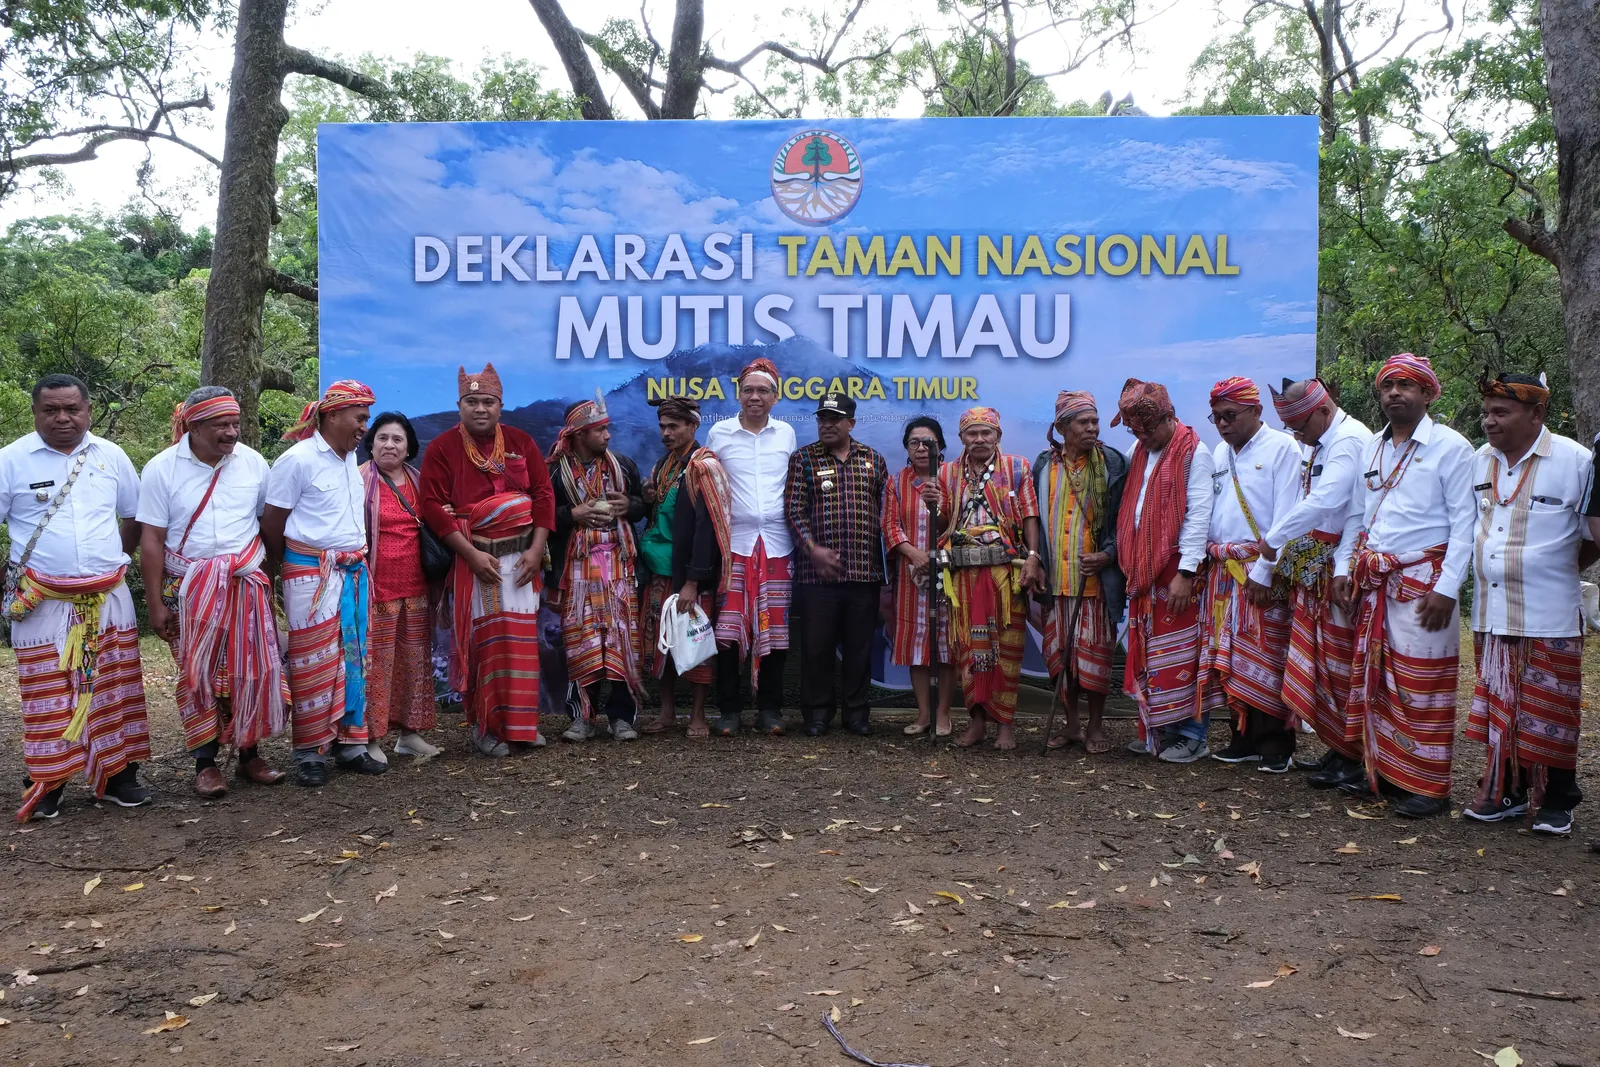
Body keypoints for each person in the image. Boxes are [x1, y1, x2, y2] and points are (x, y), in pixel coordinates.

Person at [1, 374, 152, 820]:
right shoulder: (11, 460)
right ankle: (48, 781)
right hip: (41, 602)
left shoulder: (111, 455)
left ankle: (119, 776)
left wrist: (107, 563)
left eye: (72, 409)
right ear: (35, 413)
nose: (63, 418)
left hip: (108, 598)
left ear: (88, 410)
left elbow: (134, 516)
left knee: (113, 688)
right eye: (51, 410)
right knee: (47, 694)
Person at [1343, 353, 1476, 818]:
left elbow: (1465, 524)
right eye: (1387, 386)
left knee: (1424, 684)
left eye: (1406, 385)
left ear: (1427, 393)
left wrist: (1448, 588)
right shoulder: (1372, 447)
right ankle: (1385, 773)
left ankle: (1430, 787)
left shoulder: (1452, 447)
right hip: (1376, 581)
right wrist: (1345, 569)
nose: (1395, 393)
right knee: (1377, 679)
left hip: (1426, 584)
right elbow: (1358, 516)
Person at [138, 386, 285, 798]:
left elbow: (265, 527)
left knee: (250, 670)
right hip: (187, 590)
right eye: (222, 425)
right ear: (194, 426)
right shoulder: (161, 469)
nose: (232, 432)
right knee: (198, 674)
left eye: (235, 423)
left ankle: (249, 754)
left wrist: (270, 584)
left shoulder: (253, 463)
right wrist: (154, 603)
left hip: (245, 585)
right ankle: (205, 763)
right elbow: (151, 540)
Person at [1463, 373, 1594, 835]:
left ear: (1536, 414)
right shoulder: (1480, 460)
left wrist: (1554, 569)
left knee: (1553, 709)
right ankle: (1508, 792)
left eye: (1501, 412)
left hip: (1548, 614)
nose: (1489, 421)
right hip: (1491, 611)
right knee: (1501, 703)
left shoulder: (1575, 461)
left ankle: (1559, 798)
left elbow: (1593, 535)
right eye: (1486, 412)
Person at [418, 363, 555, 757]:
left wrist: (535, 550)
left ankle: (521, 725)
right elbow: (432, 506)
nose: (480, 408)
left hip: (521, 560)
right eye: (472, 401)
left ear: (500, 406)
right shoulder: (442, 447)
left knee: (521, 642)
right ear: (459, 404)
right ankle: (487, 727)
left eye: (488, 402)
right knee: (484, 644)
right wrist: (471, 554)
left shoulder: (520, 441)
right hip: (474, 562)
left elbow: (544, 495)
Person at [263, 379, 384, 786]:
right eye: (360, 418)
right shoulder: (297, 460)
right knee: (312, 662)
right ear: (332, 415)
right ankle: (309, 753)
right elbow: (272, 524)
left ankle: (350, 745)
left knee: (353, 657)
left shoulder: (350, 459)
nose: (365, 427)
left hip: (351, 571)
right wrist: (296, 565)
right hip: (310, 573)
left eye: (366, 419)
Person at [1256, 378, 1372, 788]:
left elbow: (1329, 501)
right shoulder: (1320, 440)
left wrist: (1273, 540)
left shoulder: (1348, 440)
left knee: (1339, 664)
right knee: (1324, 664)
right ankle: (1338, 748)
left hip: (1338, 565)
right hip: (1317, 563)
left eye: (1300, 426)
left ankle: (1352, 755)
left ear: (1324, 411)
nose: (1296, 435)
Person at [1196, 377, 1302, 772]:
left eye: (1230, 415)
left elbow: (1289, 515)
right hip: (1225, 570)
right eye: (1217, 417)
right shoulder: (1220, 453)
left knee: (1268, 653)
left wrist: (1266, 571)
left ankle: (1276, 744)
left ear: (1256, 411)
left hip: (1261, 569)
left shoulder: (1283, 448)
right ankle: (1242, 738)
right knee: (1232, 656)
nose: (1223, 424)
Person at [929, 407, 1045, 750]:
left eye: (986, 433)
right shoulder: (948, 473)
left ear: (998, 436)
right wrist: (933, 506)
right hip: (963, 574)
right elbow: (943, 525)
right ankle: (977, 724)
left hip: (1005, 574)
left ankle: (1005, 726)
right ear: (961, 438)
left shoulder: (1016, 467)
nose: (979, 439)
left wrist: (1033, 557)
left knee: (1007, 649)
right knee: (969, 650)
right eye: (972, 433)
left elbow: (1030, 514)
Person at [1112, 378, 1215, 763]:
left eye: (1147, 430)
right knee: (1153, 654)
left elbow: (1199, 515)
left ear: (1168, 418)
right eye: (1135, 431)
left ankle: (1193, 736)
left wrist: (1185, 573)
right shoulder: (1139, 450)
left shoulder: (1194, 452)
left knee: (1185, 653)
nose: (1141, 437)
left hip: (1178, 569)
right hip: (1146, 568)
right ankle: (1162, 731)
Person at [785, 391, 889, 736]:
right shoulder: (803, 459)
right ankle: (817, 714)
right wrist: (812, 549)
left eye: (834, 419)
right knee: (817, 648)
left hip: (864, 573)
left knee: (860, 649)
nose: (827, 425)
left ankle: (856, 714)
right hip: (817, 577)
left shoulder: (873, 460)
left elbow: (885, 514)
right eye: (822, 419)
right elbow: (794, 511)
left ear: (851, 423)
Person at [548, 394, 647, 742]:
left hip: (619, 566)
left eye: (607, 429)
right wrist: (570, 514)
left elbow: (642, 507)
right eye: (599, 430)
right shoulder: (555, 472)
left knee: (622, 639)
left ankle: (621, 717)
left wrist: (629, 504)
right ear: (579, 434)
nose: (607, 436)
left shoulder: (623, 466)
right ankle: (581, 718)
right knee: (580, 641)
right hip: (577, 568)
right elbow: (540, 517)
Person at [706, 358, 797, 736]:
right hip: (734, 546)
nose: (755, 396)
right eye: (748, 390)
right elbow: (707, 484)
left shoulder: (786, 434)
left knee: (775, 632)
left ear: (775, 397)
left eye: (763, 390)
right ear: (738, 395)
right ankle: (729, 710)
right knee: (728, 632)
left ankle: (770, 710)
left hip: (777, 546)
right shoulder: (720, 433)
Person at [1033, 390, 1127, 755]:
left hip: (1095, 583)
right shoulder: (1045, 465)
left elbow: (1127, 520)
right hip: (1057, 582)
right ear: (1061, 427)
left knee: (1096, 658)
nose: (1092, 428)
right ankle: (1071, 725)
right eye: (1083, 422)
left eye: (1095, 421)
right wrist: (1036, 561)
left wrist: (1107, 555)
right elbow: (1033, 520)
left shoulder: (1113, 464)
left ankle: (1096, 725)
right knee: (1061, 658)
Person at [639, 396, 733, 739]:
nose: (666, 433)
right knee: (661, 643)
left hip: (690, 574)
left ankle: (697, 715)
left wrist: (694, 580)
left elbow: (707, 528)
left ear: (693, 426)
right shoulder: (663, 466)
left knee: (695, 642)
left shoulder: (703, 467)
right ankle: (666, 713)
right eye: (662, 426)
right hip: (660, 570)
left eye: (674, 426)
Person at [360, 412, 440, 761]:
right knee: (375, 666)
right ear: (371, 444)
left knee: (413, 662)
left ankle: (409, 735)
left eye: (397, 439)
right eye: (382, 438)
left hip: (416, 589)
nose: (389, 445)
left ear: (408, 448)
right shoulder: (358, 480)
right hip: (375, 589)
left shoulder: (420, 481)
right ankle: (369, 739)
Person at [883, 416, 956, 737]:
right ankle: (924, 713)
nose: (922, 448)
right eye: (915, 443)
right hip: (911, 574)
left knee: (947, 644)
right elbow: (889, 525)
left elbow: (958, 522)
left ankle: (943, 714)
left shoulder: (952, 478)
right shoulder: (897, 482)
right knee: (917, 644)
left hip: (948, 573)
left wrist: (939, 550)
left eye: (929, 443)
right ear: (907, 448)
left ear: (940, 446)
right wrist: (913, 554)